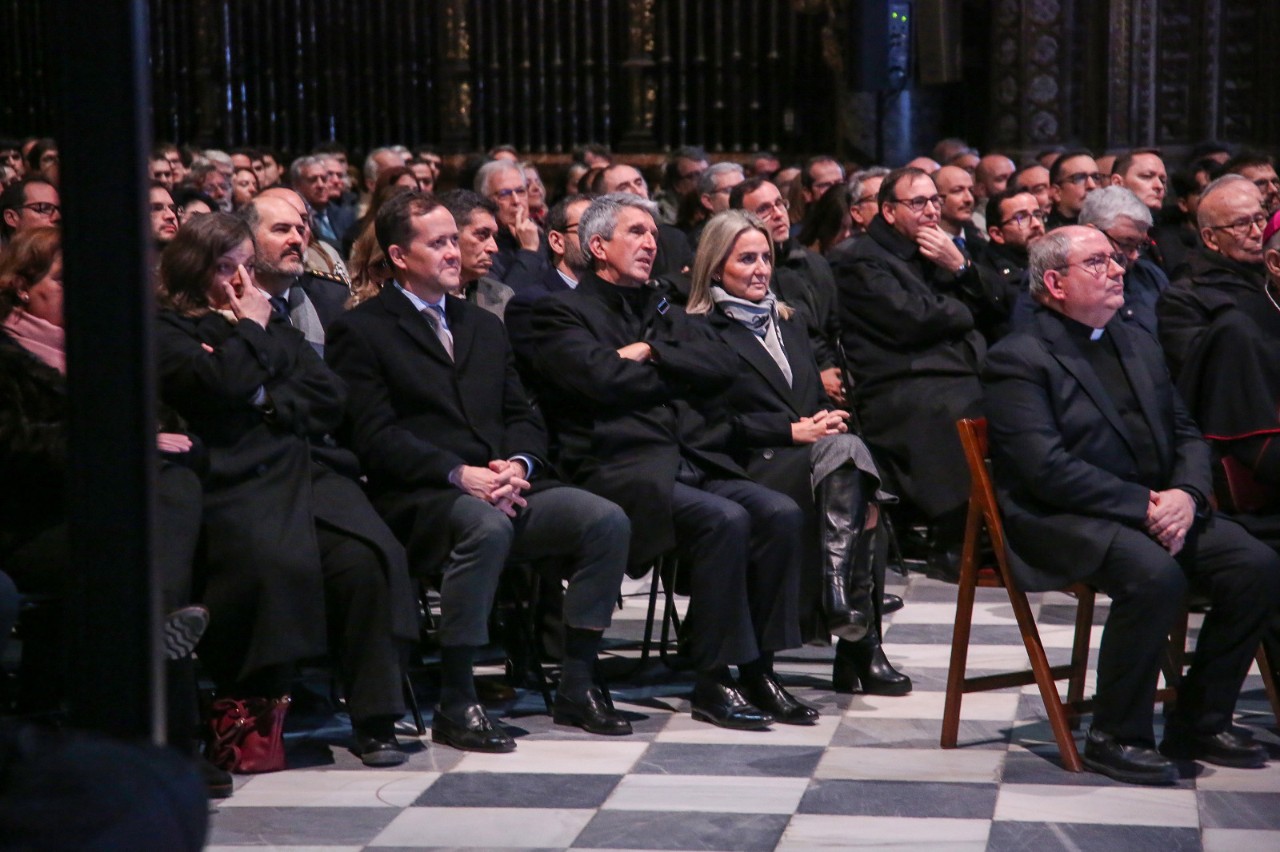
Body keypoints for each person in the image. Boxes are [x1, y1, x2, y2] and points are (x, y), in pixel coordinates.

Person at [326, 191, 632, 749]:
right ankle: (457, 697)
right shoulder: (362, 329)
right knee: (485, 527)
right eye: (438, 243)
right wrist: (458, 474)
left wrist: (517, 464)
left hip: (502, 486)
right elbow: (373, 436)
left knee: (604, 519)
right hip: (421, 498)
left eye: (453, 240)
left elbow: (522, 414)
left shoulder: (483, 325)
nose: (453, 251)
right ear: (399, 256)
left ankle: (578, 683)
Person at [983, 225, 1280, 785]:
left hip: (1158, 508)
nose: (1119, 270)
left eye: (1116, 259)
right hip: (1063, 517)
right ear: (1055, 284)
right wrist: (1145, 504)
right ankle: (1116, 734)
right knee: (1154, 575)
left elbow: (1187, 432)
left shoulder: (1136, 340)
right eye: (1098, 262)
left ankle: (1200, 720)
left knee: (1257, 565)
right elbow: (1044, 468)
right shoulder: (1017, 359)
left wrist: (1187, 494)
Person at [532, 193, 811, 729]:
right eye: (636, 232)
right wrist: (674, 372)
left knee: (780, 512)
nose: (650, 243)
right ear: (598, 247)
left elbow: (721, 364)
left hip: (691, 458)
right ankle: (712, 678)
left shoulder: (664, 306)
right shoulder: (561, 311)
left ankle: (760, 669)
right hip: (619, 467)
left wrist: (652, 352)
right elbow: (599, 379)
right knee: (724, 519)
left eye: (654, 234)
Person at [155, 214, 418, 769]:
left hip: (303, 466)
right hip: (231, 475)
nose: (239, 281)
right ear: (194, 270)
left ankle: (376, 719)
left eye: (246, 267)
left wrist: (263, 398)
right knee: (271, 563)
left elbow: (328, 396)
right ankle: (254, 705)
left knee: (366, 557)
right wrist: (251, 339)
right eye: (224, 268)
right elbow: (217, 385)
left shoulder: (271, 323)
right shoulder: (169, 327)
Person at [0, 227, 225, 794]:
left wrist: (147, 444)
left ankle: (161, 625)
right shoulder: (5, 356)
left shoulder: (102, 354)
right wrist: (119, 446)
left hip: (120, 518)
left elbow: (174, 430)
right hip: (40, 520)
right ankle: (174, 743)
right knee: (149, 556)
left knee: (171, 490)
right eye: (63, 280)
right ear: (22, 286)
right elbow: (14, 446)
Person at [687, 211, 910, 695]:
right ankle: (857, 641)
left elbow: (811, 401)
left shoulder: (790, 321)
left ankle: (844, 611)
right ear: (716, 266)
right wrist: (791, 431)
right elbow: (705, 425)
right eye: (746, 259)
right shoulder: (699, 329)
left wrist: (826, 421)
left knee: (852, 469)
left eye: (765, 258)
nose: (760, 269)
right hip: (745, 465)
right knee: (859, 487)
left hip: (810, 460)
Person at [832, 166, 985, 577]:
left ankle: (993, 527)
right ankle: (955, 537)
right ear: (888, 210)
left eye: (935, 201)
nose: (932, 211)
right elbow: (911, 319)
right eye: (918, 203)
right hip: (895, 383)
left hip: (947, 370)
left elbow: (993, 304)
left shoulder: (939, 249)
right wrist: (962, 311)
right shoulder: (857, 258)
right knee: (955, 408)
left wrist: (961, 268)